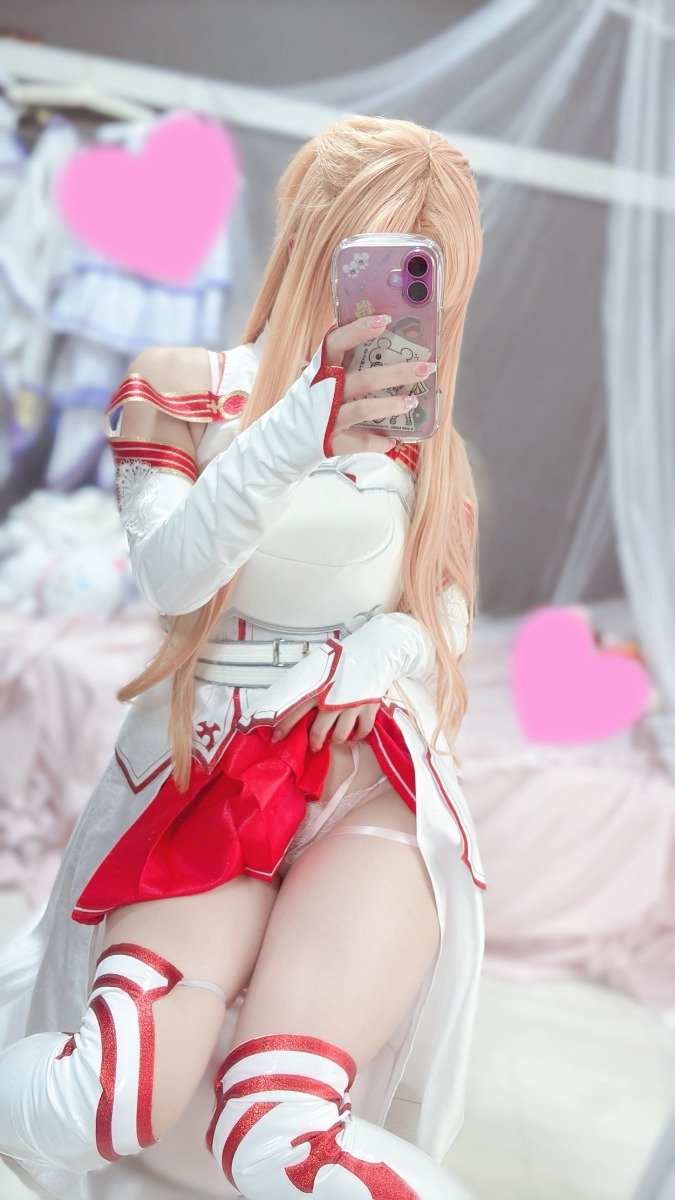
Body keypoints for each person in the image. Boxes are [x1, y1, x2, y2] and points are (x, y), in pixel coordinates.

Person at [0, 113, 485, 1200]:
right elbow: (173, 576)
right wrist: (302, 419)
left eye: (425, 267)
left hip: (368, 775)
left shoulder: (425, 444)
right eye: (374, 251)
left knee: (285, 1127)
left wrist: (387, 647)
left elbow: (445, 604)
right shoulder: (188, 383)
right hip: (214, 770)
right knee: (106, 1098)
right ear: (313, 235)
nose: (392, 299)